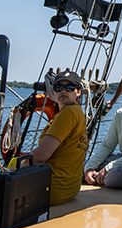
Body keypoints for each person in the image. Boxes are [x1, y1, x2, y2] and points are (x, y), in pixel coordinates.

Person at [29, 70, 88, 205]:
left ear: (78, 92)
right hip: (69, 189)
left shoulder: (68, 113)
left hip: (51, 188)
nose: (63, 91)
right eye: (58, 87)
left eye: (69, 88)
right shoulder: (77, 111)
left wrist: (17, 167)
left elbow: (40, 157)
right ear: (53, 91)